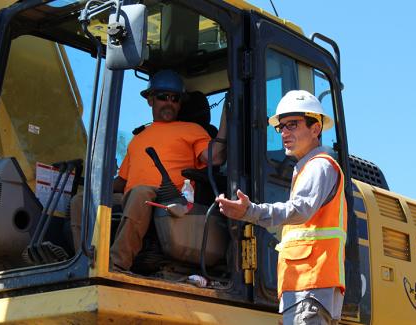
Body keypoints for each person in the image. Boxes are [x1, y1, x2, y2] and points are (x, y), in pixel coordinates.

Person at [70, 69, 226, 271]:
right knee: (80, 202)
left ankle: (116, 263)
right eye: (163, 97)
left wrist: (226, 119)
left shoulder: (192, 130)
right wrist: (91, 187)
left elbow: (214, 157)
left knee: (141, 193)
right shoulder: (138, 138)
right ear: (150, 100)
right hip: (130, 195)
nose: (169, 102)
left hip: (170, 196)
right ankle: (82, 261)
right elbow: (121, 182)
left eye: (175, 99)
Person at [216, 90, 347, 325]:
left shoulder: (319, 167)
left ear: (315, 128)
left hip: (311, 284)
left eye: (293, 125)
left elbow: (298, 210)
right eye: (281, 127)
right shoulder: (306, 169)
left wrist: (250, 211)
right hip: (304, 287)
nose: (284, 133)